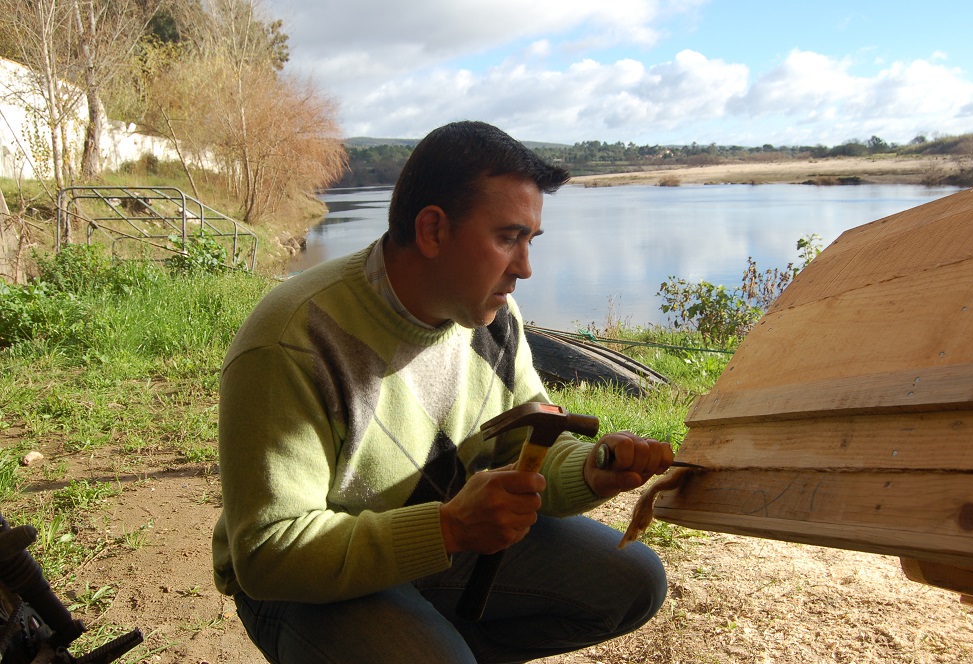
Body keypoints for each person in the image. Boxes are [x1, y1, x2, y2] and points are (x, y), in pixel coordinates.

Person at [212, 120, 673, 663]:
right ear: (432, 231)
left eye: (530, 239)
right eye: (508, 238)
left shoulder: (492, 319)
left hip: (442, 540)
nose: (525, 268)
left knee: (634, 582)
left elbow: (524, 456)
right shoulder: (293, 340)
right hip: (299, 584)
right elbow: (267, 556)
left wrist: (592, 470)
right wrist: (447, 527)